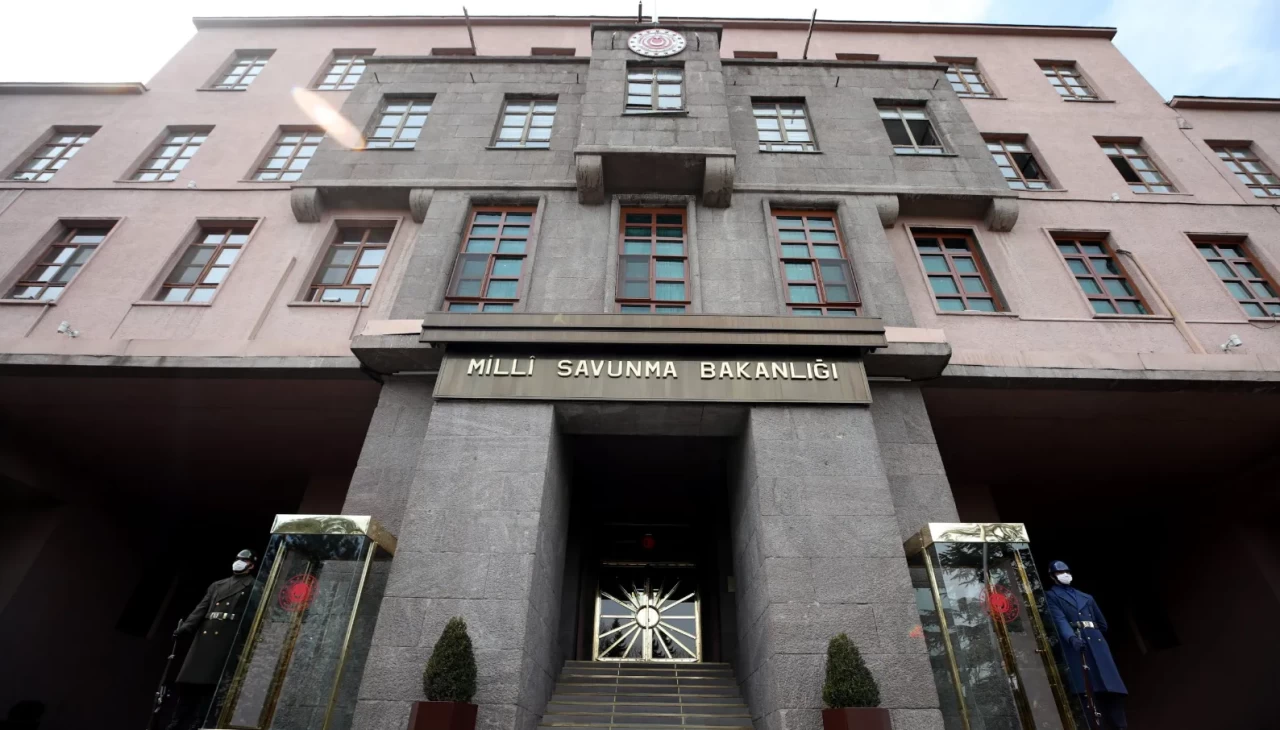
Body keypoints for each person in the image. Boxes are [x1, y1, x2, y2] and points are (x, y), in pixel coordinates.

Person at [165, 550, 257, 730]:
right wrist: (186, 627)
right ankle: (177, 721)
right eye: (238, 559)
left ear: (251, 565)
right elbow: (201, 608)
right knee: (189, 684)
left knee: (211, 686)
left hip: (225, 639)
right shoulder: (217, 585)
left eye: (244, 560)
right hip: (204, 639)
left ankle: (199, 723)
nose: (239, 562)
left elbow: (252, 616)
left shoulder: (253, 586)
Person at [1045, 560, 1128, 730]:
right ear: (1053, 576)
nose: (1065, 575)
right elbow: (1060, 620)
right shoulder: (1052, 596)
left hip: (1098, 645)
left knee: (1112, 693)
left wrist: (1094, 635)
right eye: (1060, 572)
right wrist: (1071, 638)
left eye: (1067, 571)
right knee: (1088, 695)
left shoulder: (1086, 597)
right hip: (1077, 646)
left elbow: (1102, 624)